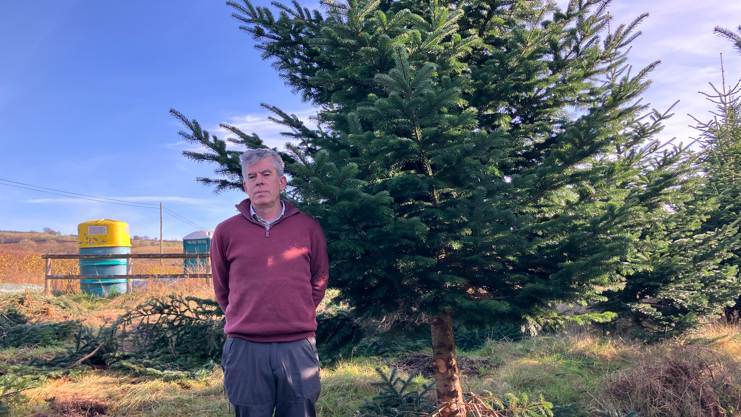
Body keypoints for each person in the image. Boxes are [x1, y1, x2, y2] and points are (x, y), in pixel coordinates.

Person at [211, 148, 329, 417]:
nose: (259, 181)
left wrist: (297, 311)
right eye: (252, 177)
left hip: (297, 345)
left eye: (266, 174)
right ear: (245, 185)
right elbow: (222, 288)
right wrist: (243, 316)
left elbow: (319, 278)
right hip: (245, 347)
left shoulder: (308, 227)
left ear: (281, 182)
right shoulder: (225, 231)